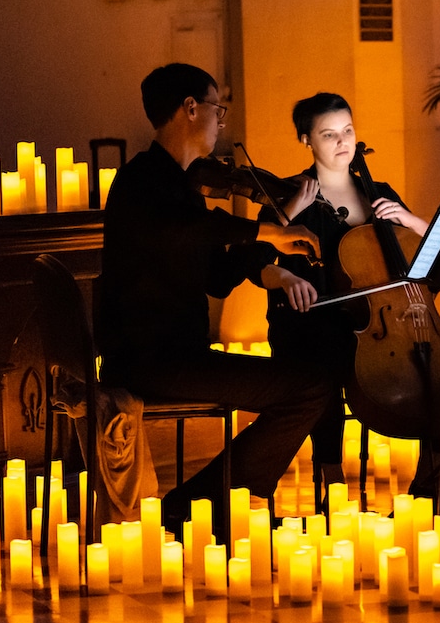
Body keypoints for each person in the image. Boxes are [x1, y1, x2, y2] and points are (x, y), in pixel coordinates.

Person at [97, 63, 337, 535]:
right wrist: (267, 226)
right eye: (216, 108)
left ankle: (201, 505)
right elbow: (189, 232)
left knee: (312, 383)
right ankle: (201, 506)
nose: (221, 120)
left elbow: (218, 277)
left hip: (174, 355)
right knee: (310, 388)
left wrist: (274, 244)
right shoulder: (140, 183)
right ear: (190, 109)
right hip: (151, 360)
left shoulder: (177, 188)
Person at [258, 92, 440, 501]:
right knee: (323, 353)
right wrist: (283, 270)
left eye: (347, 131)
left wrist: (412, 221)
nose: (342, 142)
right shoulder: (289, 197)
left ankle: (432, 472)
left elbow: (431, 258)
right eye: (328, 134)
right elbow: (258, 262)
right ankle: (332, 473)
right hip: (316, 320)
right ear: (305, 140)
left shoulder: (378, 192)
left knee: (437, 361)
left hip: (383, 321)